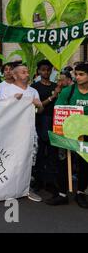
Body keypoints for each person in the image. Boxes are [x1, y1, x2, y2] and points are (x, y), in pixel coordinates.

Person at [0, 64, 43, 202]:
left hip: (30, 131)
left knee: (28, 159)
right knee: (10, 158)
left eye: (27, 71)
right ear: (15, 75)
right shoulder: (6, 90)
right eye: (23, 72)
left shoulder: (33, 91)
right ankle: (7, 187)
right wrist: (13, 101)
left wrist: (39, 105)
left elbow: (40, 111)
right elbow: (0, 110)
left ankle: (26, 188)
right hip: (11, 132)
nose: (26, 74)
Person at [46, 62, 88, 208]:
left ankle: (81, 193)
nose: (77, 77)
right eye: (76, 74)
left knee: (84, 165)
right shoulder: (68, 91)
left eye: (81, 74)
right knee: (63, 163)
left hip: (85, 136)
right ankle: (62, 193)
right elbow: (58, 109)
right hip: (67, 134)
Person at [31, 60, 62, 193]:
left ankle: (50, 181)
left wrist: (59, 92)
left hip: (54, 122)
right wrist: (52, 97)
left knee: (52, 153)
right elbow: (38, 106)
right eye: (43, 70)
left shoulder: (56, 86)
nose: (46, 72)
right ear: (38, 71)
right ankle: (38, 180)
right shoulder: (34, 87)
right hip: (40, 121)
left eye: (48, 70)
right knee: (40, 152)